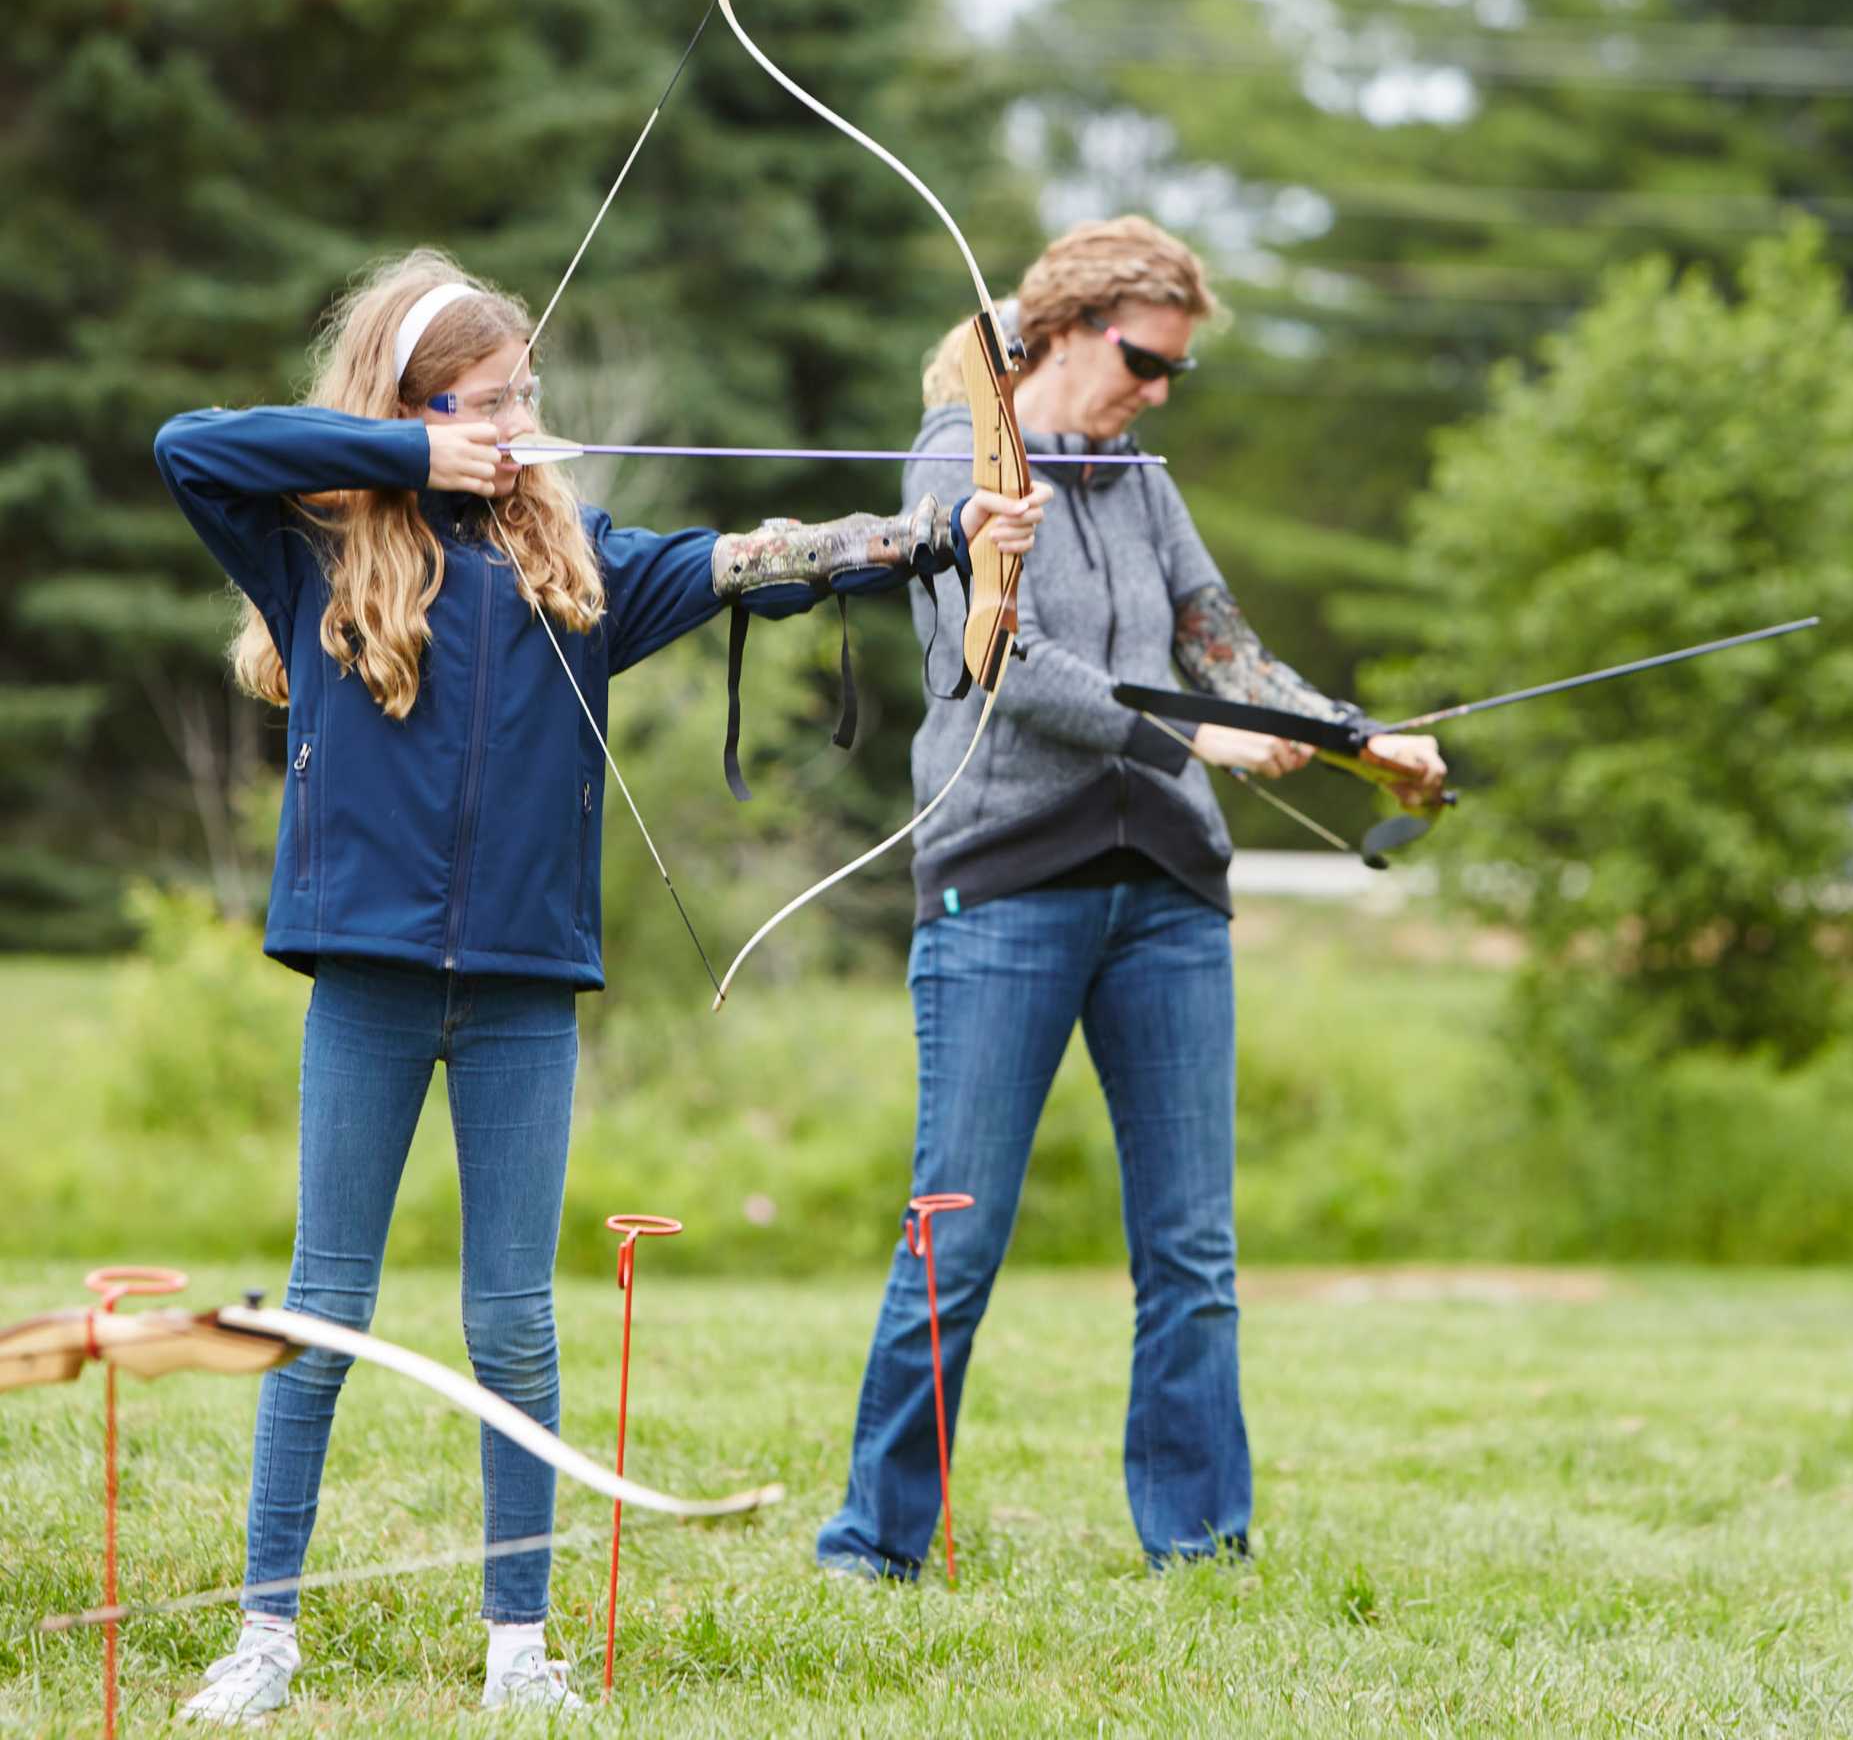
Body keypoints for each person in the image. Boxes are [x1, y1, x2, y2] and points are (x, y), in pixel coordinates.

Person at [151, 249, 1047, 1721]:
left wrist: (947, 528)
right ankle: (263, 1633)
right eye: (485, 403)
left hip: (521, 992)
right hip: (368, 985)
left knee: (514, 1320)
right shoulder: (312, 550)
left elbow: (768, 555)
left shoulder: (587, 571)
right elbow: (193, 445)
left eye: (525, 396)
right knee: (324, 1304)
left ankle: (520, 1644)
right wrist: (408, 454)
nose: (519, 421)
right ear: (417, 406)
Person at [814, 216, 1445, 1579]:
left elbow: (1220, 639)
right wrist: (1194, 739)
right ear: (1077, 322)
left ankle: (1202, 1544)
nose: (1160, 392)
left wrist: (1354, 737)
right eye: (1149, 361)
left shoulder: (1141, 476)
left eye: (1176, 374)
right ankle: (873, 1547)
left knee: (1193, 1251)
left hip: (1166, 891)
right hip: (1004, 884)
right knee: (956, 1240)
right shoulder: (955, 460)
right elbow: (1006, 664)